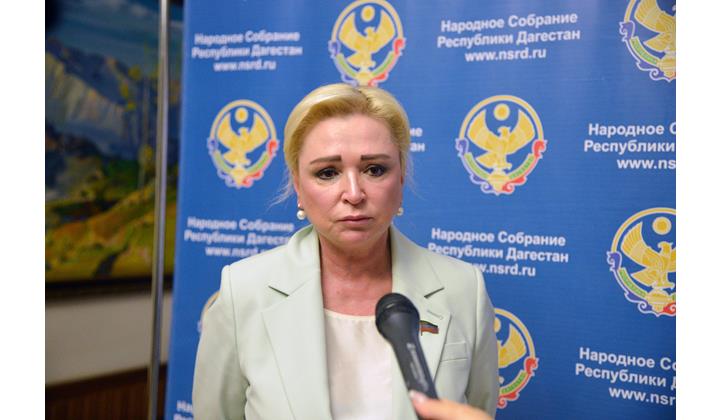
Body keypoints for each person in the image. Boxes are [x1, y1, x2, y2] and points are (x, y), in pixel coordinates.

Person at [193, 83, 499, 420]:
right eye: (328, 173)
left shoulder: (463, 289)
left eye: (375, 169)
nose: (354, 194)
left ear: (401, 178)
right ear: (298, 186)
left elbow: (477, 409)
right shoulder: (243, 291)